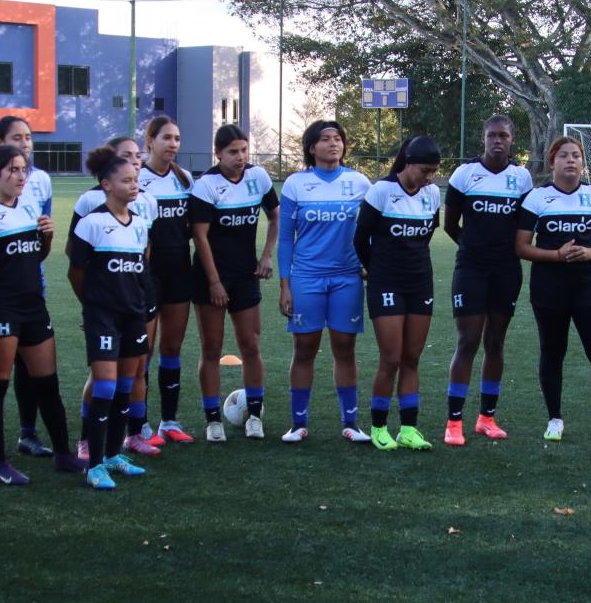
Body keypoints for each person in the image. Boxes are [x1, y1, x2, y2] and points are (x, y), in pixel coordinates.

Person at [0, 143, 79, 483]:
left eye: (23, 169)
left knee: (48, 386)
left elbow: (30, 259)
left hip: (33, 307)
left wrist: (46, 240)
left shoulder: (27, 209)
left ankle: (64, 454)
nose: (20, 176)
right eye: (12, 169)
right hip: (1, 310)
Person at [514, 137, 591, 443]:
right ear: (552, 163)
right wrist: (556, 256)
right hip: (548, 290)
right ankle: (554, 419)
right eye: (563, 155)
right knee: (552, 354)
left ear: (583, 163)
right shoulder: (537, 199)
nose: (570, 160)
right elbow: (521, 247)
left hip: (589, 289)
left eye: (576, 155)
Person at [0, 114, 59, 461]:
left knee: (29, 364)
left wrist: (45, 241)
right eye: (16, 138)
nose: (24, 144)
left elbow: (39, 236)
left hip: (32, 284)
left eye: (29, 138)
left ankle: (28, 433)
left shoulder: (42, 181)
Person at [67, 145, 155, 490]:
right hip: (103, 317)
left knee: (126, 385)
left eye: (136, 179)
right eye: (126, 180)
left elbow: (141, 270)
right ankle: (95, 463)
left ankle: (115, 455)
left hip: (134, 315)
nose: (134, 185)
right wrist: (92, 307)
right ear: (106, 184)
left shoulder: (141, 225)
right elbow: (76, 272)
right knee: (104, 384)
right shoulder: (92, 224)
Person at [277, 119, 370, 443]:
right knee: (305, 347)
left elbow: (372, 230)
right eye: (325, 139)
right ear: (312, 146)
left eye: (338, 139)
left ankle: (351, 423)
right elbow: (286, 238)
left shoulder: (360, 183)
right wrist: (285, 285)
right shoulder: (295, 184)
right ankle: (298, 424)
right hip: (306, 278)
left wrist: (368, 263)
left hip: (347, 278)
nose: (333, 144)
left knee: (345, 348)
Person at [442, 115, 530, 447]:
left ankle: (486, 418)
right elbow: (450, 224)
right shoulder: (465, 174)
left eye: (503, 135)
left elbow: (524, 226)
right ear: (483, 138)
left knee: (495, 342)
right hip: (472, 270)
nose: (497, 140)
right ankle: (454, 422)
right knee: (468, 342)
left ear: (511, 140)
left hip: (507, 270)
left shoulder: (521, 178)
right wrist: (474, 248)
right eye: (492, 135)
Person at [188, 124, 278, 441]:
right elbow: (199, 236)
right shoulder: (206, 185)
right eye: (232, 152)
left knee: (251, 345)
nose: (240, 157)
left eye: (243, 150)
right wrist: (214, 282)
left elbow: (275, 214)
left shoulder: (258, 177)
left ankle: (255, 416)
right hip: (209, 277)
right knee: (211, 349)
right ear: (218, 154)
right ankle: (213, 421)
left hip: (245, 276)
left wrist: (266, 256)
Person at [354, 136, 443, 450]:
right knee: (390, 358)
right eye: (424, 170)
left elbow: (427, 234)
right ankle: (379, 427)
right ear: (407, 162)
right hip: (386, 284)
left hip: (420, 283)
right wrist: (374, 270)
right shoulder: (381, 191)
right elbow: (360, 239)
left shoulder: (432, 194)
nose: (429, 176)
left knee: (411, 358)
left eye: (433, 171)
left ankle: (408, 429)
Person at [139, 115, 198, 443]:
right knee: (143, 350)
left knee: (172, 348)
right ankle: (140, 424)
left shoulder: (184, 179)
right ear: (150, 141)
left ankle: (169, 422)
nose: (173, 144)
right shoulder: (137, 178)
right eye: (167, 138)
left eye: (177, 138)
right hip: (147, 274)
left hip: (178, 271)